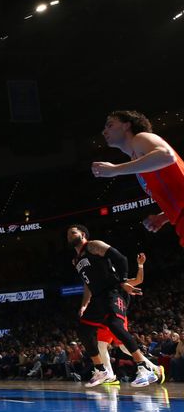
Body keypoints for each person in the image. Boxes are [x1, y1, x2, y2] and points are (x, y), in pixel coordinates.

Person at [67, 224, 164, 388]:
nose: (69, 235)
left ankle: (145, 368)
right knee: (83, 330)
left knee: (115, 325)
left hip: (113, 292)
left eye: (73, 232)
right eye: (68, 234)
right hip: (97, 298)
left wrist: (123, 280)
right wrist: (85, 305)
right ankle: (101, 370)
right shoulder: (75, 260)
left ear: (83, 234)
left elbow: (121, 259)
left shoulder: (93, 245)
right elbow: (87, 284)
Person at [92, 110, 184, 244]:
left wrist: (115, 169)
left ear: (126, 125)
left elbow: (167, 156)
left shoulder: (140, 138)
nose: (104, 131)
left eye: (110, 125)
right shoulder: (137, 159)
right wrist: (163, 217)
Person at [95, 252, 146, 385]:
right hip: (107, 315)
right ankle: (110, 375)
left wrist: (140, 265)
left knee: (124, 348)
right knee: (101, 345)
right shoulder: (104, 282)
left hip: (118, 316)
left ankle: (152, 367)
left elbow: (139, 280)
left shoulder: (121, 281)